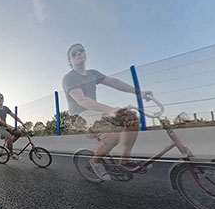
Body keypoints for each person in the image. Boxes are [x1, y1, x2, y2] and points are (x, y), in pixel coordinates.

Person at [62, 44, 152, 180]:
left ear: (85, 54)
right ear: (70, 61)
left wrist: (139, 92)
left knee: (132, 118)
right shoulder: (69, 78)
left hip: (95, 113)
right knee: (114, 132)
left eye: (81, 50)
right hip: (80, 117)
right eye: (74, 53)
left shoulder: (92, 73)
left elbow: (114, 82)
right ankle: (94, 162)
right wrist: (110, 110)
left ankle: (125, 160)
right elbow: (82, 100)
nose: (79, 54)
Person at [0, 93, 25, 160]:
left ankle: (8, 145)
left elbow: (13, 115)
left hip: (5, 127)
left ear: (3, 100)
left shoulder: (5, 108)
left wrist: (22, 123)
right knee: (9, 136)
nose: (0, 99)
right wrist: (10, 127)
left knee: (18, 133)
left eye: (1, 98)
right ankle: (12, 154)